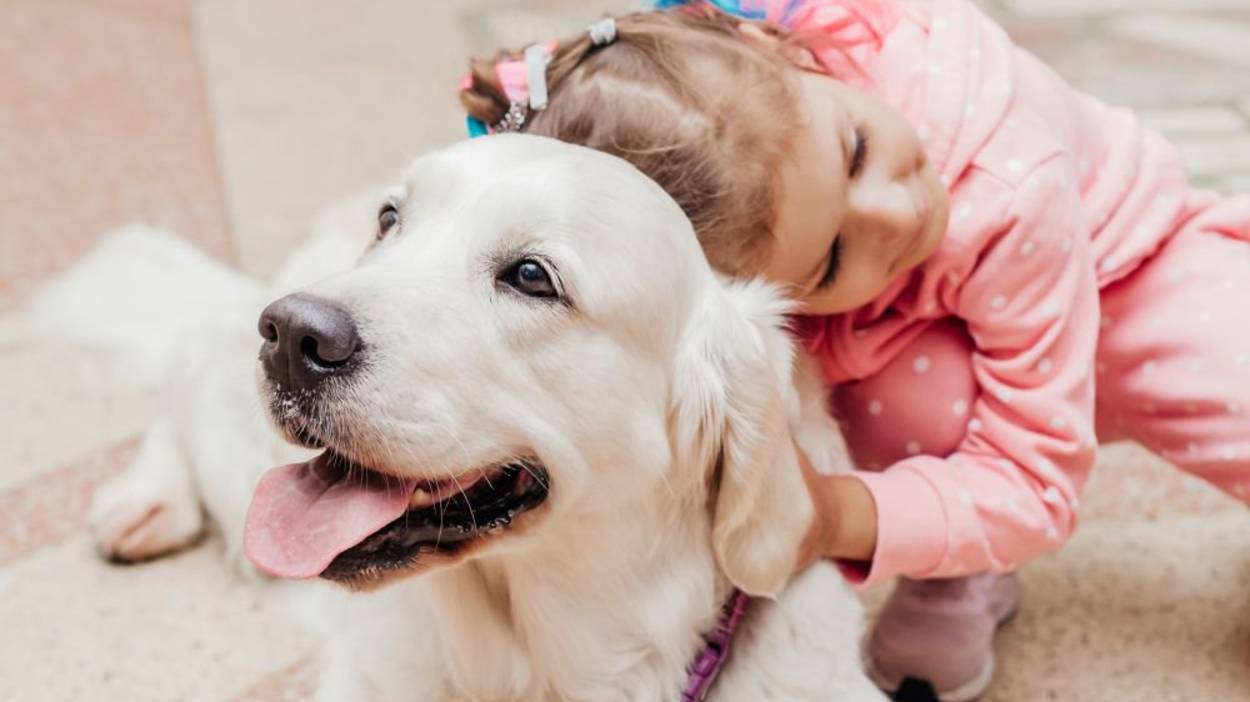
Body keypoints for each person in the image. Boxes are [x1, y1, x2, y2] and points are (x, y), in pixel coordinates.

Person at [459, 1, 1250, 698]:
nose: (899, 212)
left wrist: (838, 515)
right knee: (861, 394)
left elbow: (1040, 480)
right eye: (833, 257)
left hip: (1136, 270)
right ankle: (960, 566)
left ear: (781, 47)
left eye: (857, 150)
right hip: (935, 324)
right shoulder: (746, 123)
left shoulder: (1010, 182)